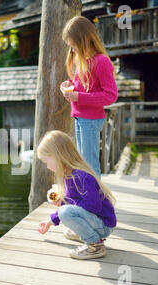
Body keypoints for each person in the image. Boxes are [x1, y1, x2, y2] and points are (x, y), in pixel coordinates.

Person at [37, 130, 117, 260]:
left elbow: (94, 206)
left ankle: (94, 245)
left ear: (58, 156)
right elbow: (76, 203)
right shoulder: (68, 176)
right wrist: (50, 221)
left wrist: (65, 204)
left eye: (46, 161)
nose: (47, 166)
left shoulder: (81, 177)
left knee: (65, 212)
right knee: (65, 211)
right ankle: (85, 232)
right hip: (95, 220)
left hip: (104, 225)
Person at [59, 16, 118, 177]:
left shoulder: (101, 61)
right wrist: (69, 85)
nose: (72, 50)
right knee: (83, 162)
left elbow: (110, 96)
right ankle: (89, 196)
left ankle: (96, 199)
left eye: (73, 45)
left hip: (90, 120)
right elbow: (85, 85)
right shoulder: (83, 61)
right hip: (81, 118)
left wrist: (78, 97)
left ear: (84, 39)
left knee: (89, 164)